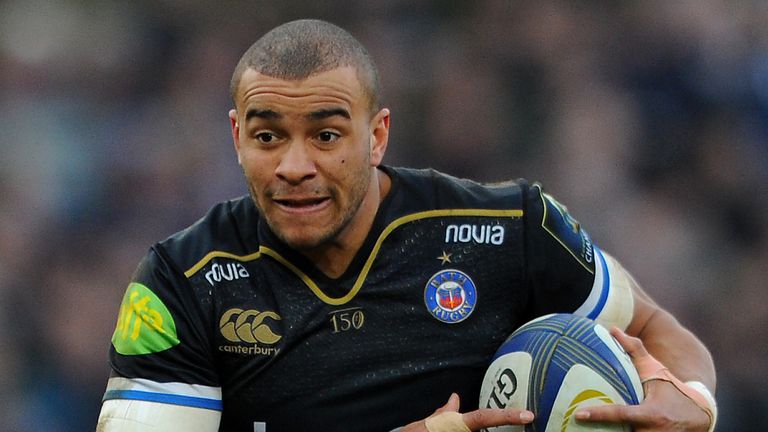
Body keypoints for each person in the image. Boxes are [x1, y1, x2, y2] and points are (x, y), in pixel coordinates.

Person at [96, 19, 717, 432]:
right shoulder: (181, 282)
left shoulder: (512, 228)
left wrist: (692, 398)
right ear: (236, 138)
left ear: (378, 136)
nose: (293, 166)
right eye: (267, 137)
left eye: (327, 135)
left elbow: (654, 327)